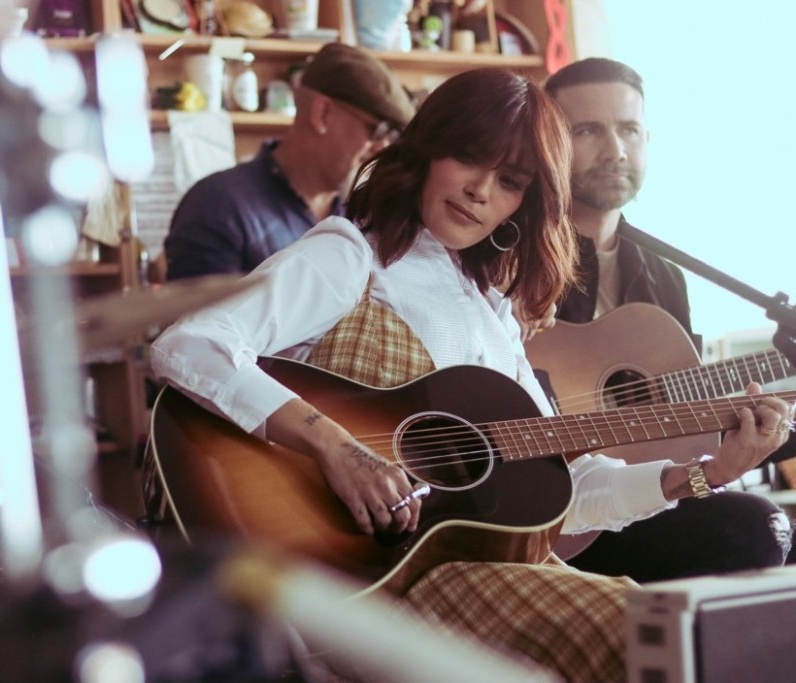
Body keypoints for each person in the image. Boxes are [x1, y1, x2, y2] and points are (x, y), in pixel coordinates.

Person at [150, 67, 794, 682]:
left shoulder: (491, 311)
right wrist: (335, 446)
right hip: (379, 581)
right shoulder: (352, 256)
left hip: (495, 572)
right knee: (648, 637)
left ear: (526, 202)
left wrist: (709, 474)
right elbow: (189, 343)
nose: (481, 190)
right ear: (427, 152)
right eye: (467, 156)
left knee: (694, 630)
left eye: (510, 179)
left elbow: (565, 497)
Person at [540, 57, 793, 582]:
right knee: (757, 526)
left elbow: (683, 430)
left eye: (629, 130)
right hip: (557, 517)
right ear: (550, 144)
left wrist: (759, 430)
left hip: (652, 496)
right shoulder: (515, 259)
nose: (614, 150)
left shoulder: (662, 275)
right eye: (588, 130)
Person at [162, 42, 414, 281]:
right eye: (377, 131)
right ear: (323, 113)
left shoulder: (360, 217)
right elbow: (198, 324)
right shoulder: (218, 206)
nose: (383, 149)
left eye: (392, 136)